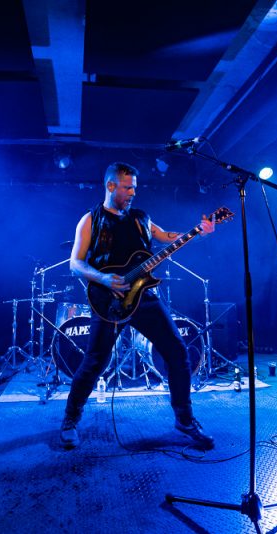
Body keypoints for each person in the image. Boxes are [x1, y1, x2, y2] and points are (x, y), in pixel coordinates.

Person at [59, 162, 216, 449]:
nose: (133, 193)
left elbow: (167, 237)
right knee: (94, 363)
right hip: (109, 300)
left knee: (178, 351)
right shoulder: (91, 219)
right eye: (127, 188)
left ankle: (184, 419)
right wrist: (104, 278)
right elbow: (75, 263)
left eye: (134, 187)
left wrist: (198, 231)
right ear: (110, 186)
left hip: (144, 298)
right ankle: (70, 419)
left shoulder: (141, 218)